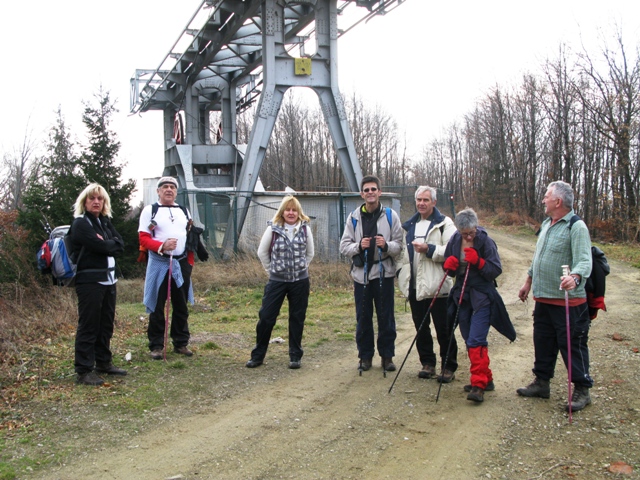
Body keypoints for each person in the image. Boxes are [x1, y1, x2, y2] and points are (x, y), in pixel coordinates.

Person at [517, 181, 593, 412]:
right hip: (543, 299)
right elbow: (538, 257)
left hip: (568, 302)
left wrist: (575, 277)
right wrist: (528, 281)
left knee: (572, 345)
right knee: (542, 342)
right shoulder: (546, 224)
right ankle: (542, 383)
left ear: (557, 201)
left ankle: (582, 389)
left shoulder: (576, 227)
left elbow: (584, 260)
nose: (543, 200)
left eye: (547, 196)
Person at [442, 208, 515, 403]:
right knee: (468, 337)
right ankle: (487, 379)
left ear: (476, 227)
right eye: (464, 233)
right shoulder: (455, 240)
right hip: (462, 296)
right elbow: (449, 269)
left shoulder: (486, 241)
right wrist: (448, 266)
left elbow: (496, 269)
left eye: (471, 233)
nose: (468, 236)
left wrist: (479, 262)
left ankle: (478, 385)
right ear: (459, 230)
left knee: (476, 339)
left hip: (482, 296)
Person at [339, 174, 403, 373]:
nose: (370, 193)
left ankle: (387, 356)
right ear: (362, 194)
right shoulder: (354, 218)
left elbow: (399, 245)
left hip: (384, 274)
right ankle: (365, 357)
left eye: (373, 189)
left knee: (386, 317)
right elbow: (344, 246)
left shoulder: (391, 216)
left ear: (379, 192)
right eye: (366, 190)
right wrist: (359, 246)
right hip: (361, 276)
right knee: (363, 318)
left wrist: (386, 245)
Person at [245, 195, 315, 369]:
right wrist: (272, 271)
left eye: (294, 210)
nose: (291, 213)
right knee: (266, 317)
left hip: (300, 282)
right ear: (282, 212)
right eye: (287, 210)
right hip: (277, 282)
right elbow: (262, 253)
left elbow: (310, 253)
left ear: (299, 212)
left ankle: (295, 356)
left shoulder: (305, 229)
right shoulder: (273, 229)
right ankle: (258, 356)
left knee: (297, 318)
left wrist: (300, 268)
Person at [398, 186, 458, 381]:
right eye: (419, 200)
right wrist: (401, 273)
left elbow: (453, 250)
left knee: (444, 328)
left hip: (438, 287)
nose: (422, 203)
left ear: (434, 202)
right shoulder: (410, 225)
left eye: (426, 200)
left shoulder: (444, 224)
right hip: (415, 286)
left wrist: (429, 249)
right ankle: (427, 363)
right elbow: (402, 254)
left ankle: (448, 366)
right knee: (421, 328)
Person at [69, 183, 126, 386]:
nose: (96, 202)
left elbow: (120, 245)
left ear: (104, 202)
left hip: (109, 280)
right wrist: (107, 244)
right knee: (89, 325)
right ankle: (84, 370)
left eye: (100, 199)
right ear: (84, 202)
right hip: (89, 281)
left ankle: (103, 362)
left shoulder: (104, 221)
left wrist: (107, 243)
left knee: (106, 324)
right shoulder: (80, 224)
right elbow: (99, 246)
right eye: (92, 198)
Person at [139, 176, 195, 360]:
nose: (169, 190)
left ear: (176, 192)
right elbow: (143, 238)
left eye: (172, 187)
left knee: (181, 304)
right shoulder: (150, 211)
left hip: (181, 263)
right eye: (165, 187)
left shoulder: (184, 211)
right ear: (158, 191)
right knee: (157, 304)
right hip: (159, 262)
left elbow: (189, 235)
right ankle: (156, 345)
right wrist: (162, 246)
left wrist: (190, 261)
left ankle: (181, 342)